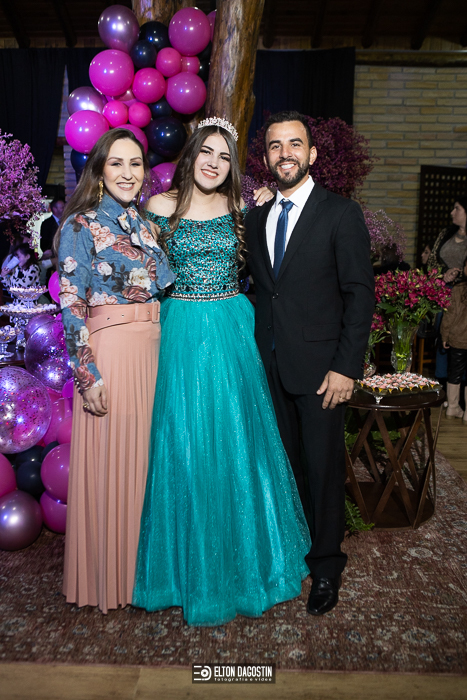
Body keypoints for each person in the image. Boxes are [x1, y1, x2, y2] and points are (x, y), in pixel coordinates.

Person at [132, 118, 311, 626]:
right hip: (181, 329)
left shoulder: (243, 211)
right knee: (184, 442)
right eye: (206, 152)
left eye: (225, 156)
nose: (214, 163)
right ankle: (183, 572)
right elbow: (139, 275)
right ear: (190, 155)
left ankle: (250, 563)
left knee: (239, 441)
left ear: (233, 167)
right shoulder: (159, 207)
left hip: (233, 327)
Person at [245, 111, 375, 616]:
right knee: (283, 466)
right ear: (266, 157)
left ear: (312, 154)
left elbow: (359, 297)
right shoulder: (256, 216)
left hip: (323, 371)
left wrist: (346, 368)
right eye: (275, 146)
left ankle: (325, 567)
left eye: (295, 144)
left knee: (322, 470)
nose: (286, 154)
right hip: (268, 365)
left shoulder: (341, 213)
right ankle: (292, 552)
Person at [56, 129, 174, 613]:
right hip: (113, 352)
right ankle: (111, 579)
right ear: (100, 172)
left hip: (154, 349)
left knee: (146, 465)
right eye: (117, 163)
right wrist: (87, 375)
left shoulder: (144, 225)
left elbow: (167, 284)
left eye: (136, 163)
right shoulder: (80, 225)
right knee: (115, 465)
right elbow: (71, 303)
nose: (128, 173)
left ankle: (144, 576)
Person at [441, 254, 467, 422]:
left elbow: (449, 315)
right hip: (460, 337)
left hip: (457, 337)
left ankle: (452, 407)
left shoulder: (458, 288)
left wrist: (445, 335)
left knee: (455, 373)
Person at [428, 197, 467, 285]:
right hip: (440, 286)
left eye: (457, 209)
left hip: (462, 289)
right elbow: (432, 260)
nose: (452, 212)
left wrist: (456, 274)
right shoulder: (446, 233)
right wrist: (446, 271)